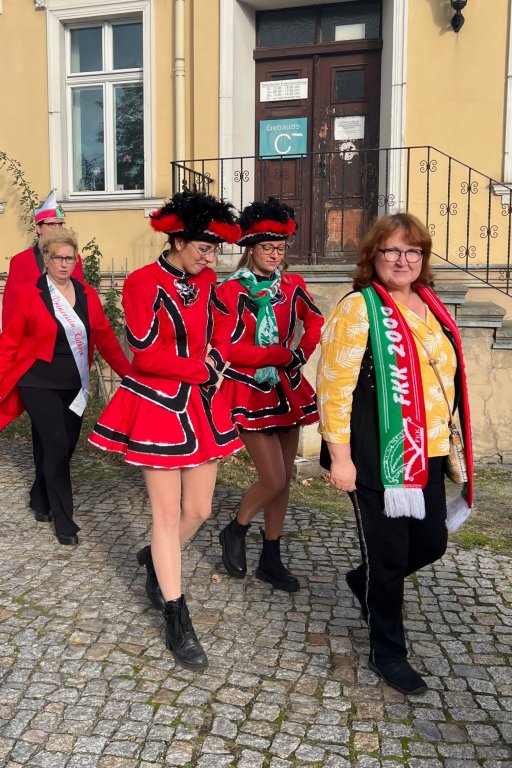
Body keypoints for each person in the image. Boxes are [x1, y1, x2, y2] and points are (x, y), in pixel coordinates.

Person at [317, 212, 473, 695]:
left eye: (413, 251)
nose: (402, 260)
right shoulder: (359, 308)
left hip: (429, 452)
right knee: (388, 560)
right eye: (391, 250)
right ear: (373, 256)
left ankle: (362, 580)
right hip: (376, 454)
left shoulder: (431, 304)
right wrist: (340, 457)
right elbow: (334, 388)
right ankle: (388, 652)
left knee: (431, 544)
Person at [89, 192, 243, 672]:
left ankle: (157, 558)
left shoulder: (209, 281)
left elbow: (223, 327)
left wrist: (217, 356)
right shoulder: (141, 282)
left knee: (198, 509)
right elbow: (144, 353)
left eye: (214, 250)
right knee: (167, 515)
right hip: (157, 405)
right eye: (203, 247)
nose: (210, 257)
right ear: (177, 240)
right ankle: (177, 618)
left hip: (201, 405)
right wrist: (201, 369)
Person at [217, 198, 324, 593]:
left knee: (285, 480)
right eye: (267, 248)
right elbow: (228, 347)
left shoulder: (293, 286)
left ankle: (271, 558)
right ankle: (236, 527)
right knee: (273, 477)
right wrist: (278, 355)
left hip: (287, 387)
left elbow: (315, 321)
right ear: (251, 248)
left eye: (280, 248)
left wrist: (300, 354)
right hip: (248, 389)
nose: (275, 255)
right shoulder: (230, 290)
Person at [0, 229, 130, 544]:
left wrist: (130, 375)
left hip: (74, 385)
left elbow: (106, 339)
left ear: (75, 261)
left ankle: (40, 497)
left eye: (69, 258)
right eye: (57, 257)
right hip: (37, 382)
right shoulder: (29, 293)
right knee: (56, 445)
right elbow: (9, 343)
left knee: (63, 446)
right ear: (46, 259)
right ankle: (64, 522)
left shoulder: (87, 294)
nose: (63, 263)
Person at [2, 190, 84, 326]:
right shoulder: (20, 261)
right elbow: (11, 304)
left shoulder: (73, 258)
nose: (57, 229)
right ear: (38, 229)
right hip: (31, 331)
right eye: (51, 224)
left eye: (60, 224)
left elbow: (80, 296)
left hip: (68, 331)